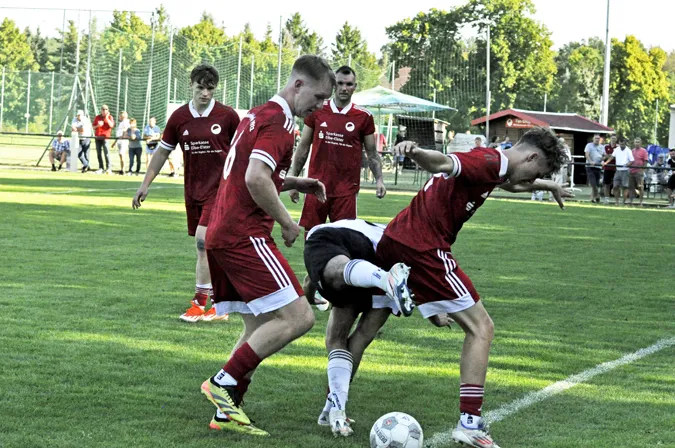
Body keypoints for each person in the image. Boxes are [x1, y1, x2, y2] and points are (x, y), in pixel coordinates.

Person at [200, 55, 392, 437]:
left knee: (258, 326)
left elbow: (254, 173)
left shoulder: (258, 114)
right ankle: (223, 382)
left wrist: (296, 182)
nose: (319, 106)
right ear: (298, 85)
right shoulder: (280, 122)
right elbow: (255, 178)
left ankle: (227, 410)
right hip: (244, 234)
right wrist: (288, 223)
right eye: (318, 97)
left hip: (223, 232)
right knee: (300, 317)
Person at [377, 127, 572, 448]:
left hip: (396, 239)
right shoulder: (487, 161)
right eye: (537, 172)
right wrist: (415, 152)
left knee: (367, 324)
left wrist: (548, 184)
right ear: (531, 156)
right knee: (482, 328)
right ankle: (470, 423)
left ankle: (334, 404)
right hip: (424, 249)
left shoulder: (499, 167)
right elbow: (442, 163)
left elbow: (512, 183)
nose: (533, 179)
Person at [132, 64, 240, 323]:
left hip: (222, 191)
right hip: (194, 192)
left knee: (204, 242)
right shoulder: (179, 117)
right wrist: (145, 184)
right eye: (200, 87)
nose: (205, 93)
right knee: (208, 247)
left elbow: (243, 151)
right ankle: (219, 303)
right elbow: (162, 152)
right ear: (190, 84)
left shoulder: (227, 116)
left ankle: (201, 303)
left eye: (210, 88)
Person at [304, 218, 415, 437]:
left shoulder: (332, 231)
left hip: (352, 247)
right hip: (395, 262)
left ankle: (335, 410)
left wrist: (310, 298)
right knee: (362, 337)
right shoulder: (396, 238)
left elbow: (309, 281)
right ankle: (332, 410)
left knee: (335, 339)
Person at [288, 65, 386, 306]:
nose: (344, 88)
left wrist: (379, 179)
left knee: (344, 243)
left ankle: (329, 289)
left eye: (348, 84)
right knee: (313, 241)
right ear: (334, 86)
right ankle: (313, 287)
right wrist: (293, 180)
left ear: (355, 87)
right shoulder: (317, 112)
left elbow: (372, 153)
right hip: (315, 188)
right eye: (340, 83)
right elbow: (303, 148)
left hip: (346, 193)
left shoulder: (363, 117)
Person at [603, 137, 634, 206]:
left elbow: (632, 160)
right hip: (617, 170)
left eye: (623, 144)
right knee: (615, 186)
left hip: (625, 171)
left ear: (625, 143)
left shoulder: (628, 150)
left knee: (625, 187)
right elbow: (612, 157)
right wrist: (606, 162)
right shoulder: (617, 149)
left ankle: (623, 202)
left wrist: (627, 164)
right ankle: (617, 201)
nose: (621, 146)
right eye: (620, 144)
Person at [92, 105, 115, 174]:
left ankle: (108, 168)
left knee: (106, 153)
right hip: (98, 137)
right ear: (101, 110)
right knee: (99, 153)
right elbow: (93, 127)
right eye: (103, 109)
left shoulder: (110, 117)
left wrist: (107, 118)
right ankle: (101, 168)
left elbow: (111, 125)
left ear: (108, 110)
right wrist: (98, 125)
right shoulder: (97, 117)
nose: (104, 111)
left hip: (105, 137)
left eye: (106, 109)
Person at [628, 137, 649, 206]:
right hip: (631, 171)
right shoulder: (632, 151)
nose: (637, 143)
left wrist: (642, 171)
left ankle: (641, 202)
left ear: (641, 143)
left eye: (638, 142)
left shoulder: (644, 151)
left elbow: (645, 162)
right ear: (634, 143)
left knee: (640, 187)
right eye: (635, 142)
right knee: (631, 187)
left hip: (639, 172)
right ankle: (631, 202)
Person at [584, 134, 604, 203]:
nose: (597, 140)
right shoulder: (589, 145)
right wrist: (590, 161)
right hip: (590, 166)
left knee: (596, 184)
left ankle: (592, 198)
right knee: (593, 183)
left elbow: (604, 156)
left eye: (598, 138)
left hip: (598, 166)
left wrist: (603, 160)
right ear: (593, 139)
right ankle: (597, 196)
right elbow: (587, 154)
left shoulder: (602, 147)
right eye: (596, 138)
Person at [602, 134, 618, 204]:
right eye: (612, 138)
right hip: (607, 168)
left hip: (616, 168)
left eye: (615, 138)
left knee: (616, 185)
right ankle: (606, 199)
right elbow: (604, 156)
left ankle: (616, 200)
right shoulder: (605, 146)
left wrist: (610, 156)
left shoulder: (618, 147)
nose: (613, 140)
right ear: (610, 139)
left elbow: (617, 156)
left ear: (616, 139)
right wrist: (610, 156)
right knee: (606, 184)